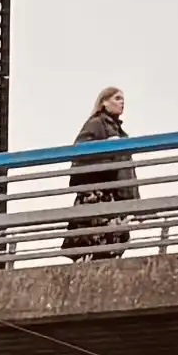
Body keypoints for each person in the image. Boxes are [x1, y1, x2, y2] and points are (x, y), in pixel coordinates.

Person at [64, 83, 133, 256]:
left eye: (123, 99)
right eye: (117, 98)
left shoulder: (121, 133)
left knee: (114, 244)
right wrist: (106, 149)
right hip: (98, 194)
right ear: (104, 102)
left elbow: (128, 171)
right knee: (94, 242)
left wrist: (133, 201)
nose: (122, 103)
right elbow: (79, 151)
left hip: (115, 197)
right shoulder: (96, 124)